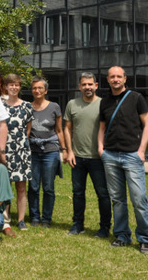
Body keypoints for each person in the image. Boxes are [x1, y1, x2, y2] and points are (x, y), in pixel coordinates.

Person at [98, 66, 148, 255]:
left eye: (118, 76)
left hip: (132, 155)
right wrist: (101, 149)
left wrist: (142, 150)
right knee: (118, 200)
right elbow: (102, 127)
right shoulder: (104, 101)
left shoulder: (136, 98)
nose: (115, 79)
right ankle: (122, 235)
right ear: (108, 79)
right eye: (112, 77)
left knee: (139, 199)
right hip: (111, 156)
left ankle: (145, 239)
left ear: (124, 78)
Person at [64, 72, 111, 238]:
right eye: (84, 84)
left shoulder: (103, 104)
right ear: (79, 87)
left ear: (96, 85)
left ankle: (105, 228)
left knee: (103, 194)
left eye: (90, 84)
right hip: (78, 157)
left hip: (98, 158)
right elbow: (67, 129)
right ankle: (77, 225)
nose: (87, 87)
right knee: (77, 193)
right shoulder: (72, 104)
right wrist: (69, 151)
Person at [28, 76, 65, 228]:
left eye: (40, 88)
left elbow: (59, 130)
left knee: (48, 187)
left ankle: (46, 219)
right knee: (33, 186)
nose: (37, 90)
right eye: (34, 88)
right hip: (33, 151)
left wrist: (64, 149)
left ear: (46, 90)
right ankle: (35, 217)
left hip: (50, 151)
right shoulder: (27, 107)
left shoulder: (54, 107)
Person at [2, 74, 33, 232]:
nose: (14, 87)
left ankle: (21, 219)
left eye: (17, 85)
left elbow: (27, 130)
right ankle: (6, 219)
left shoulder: (27, 106)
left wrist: (20, 145)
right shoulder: (0, 106)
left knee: (21, 187)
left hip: (21, 151)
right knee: (6, 186)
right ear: (6, 87)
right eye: (11, 85)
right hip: (5, 151)